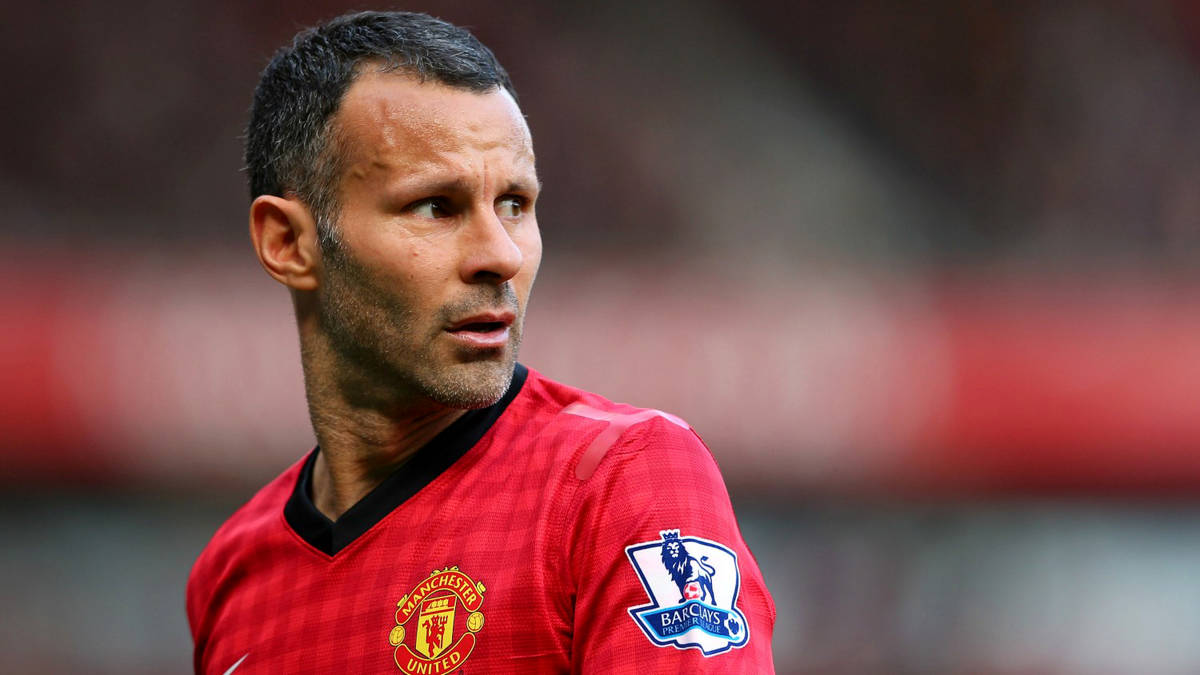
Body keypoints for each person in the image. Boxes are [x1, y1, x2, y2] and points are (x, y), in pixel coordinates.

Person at [186, 10, 775, 674]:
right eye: (436, 206)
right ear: (289, 242)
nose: (501, 255)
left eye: (515, 204)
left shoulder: (620, 481)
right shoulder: (230, 577)